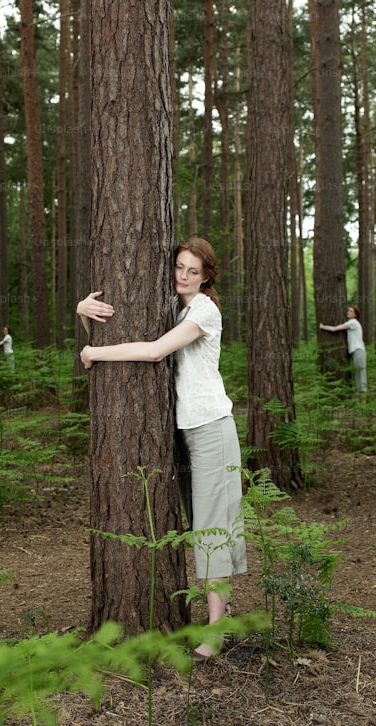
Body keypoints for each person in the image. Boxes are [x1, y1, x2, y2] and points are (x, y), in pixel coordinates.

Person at [77, 237, 246, 661]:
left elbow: (153, 352)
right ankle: (218, 617)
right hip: (184, 433)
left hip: (211, 430)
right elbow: (127, 331)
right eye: (179, 267)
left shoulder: (204, 310)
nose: (183, 276)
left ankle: (216, 632)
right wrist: (82, 314)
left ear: (206, 276)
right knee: (198, 525)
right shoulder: (176, 308)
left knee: (211, 531)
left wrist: (94, 352)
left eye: (193, 271)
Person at [319, 305, 367, 393]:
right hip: (356, 350)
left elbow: (334, 329)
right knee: (357, 373)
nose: (348, 312)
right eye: (348, 310)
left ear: (355, 315)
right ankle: (359, 398)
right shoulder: (351, 322)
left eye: (351, 311)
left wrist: (322, 327)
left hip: (358, 350)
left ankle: (363, 400)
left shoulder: (352, 322)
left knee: (360, 373)